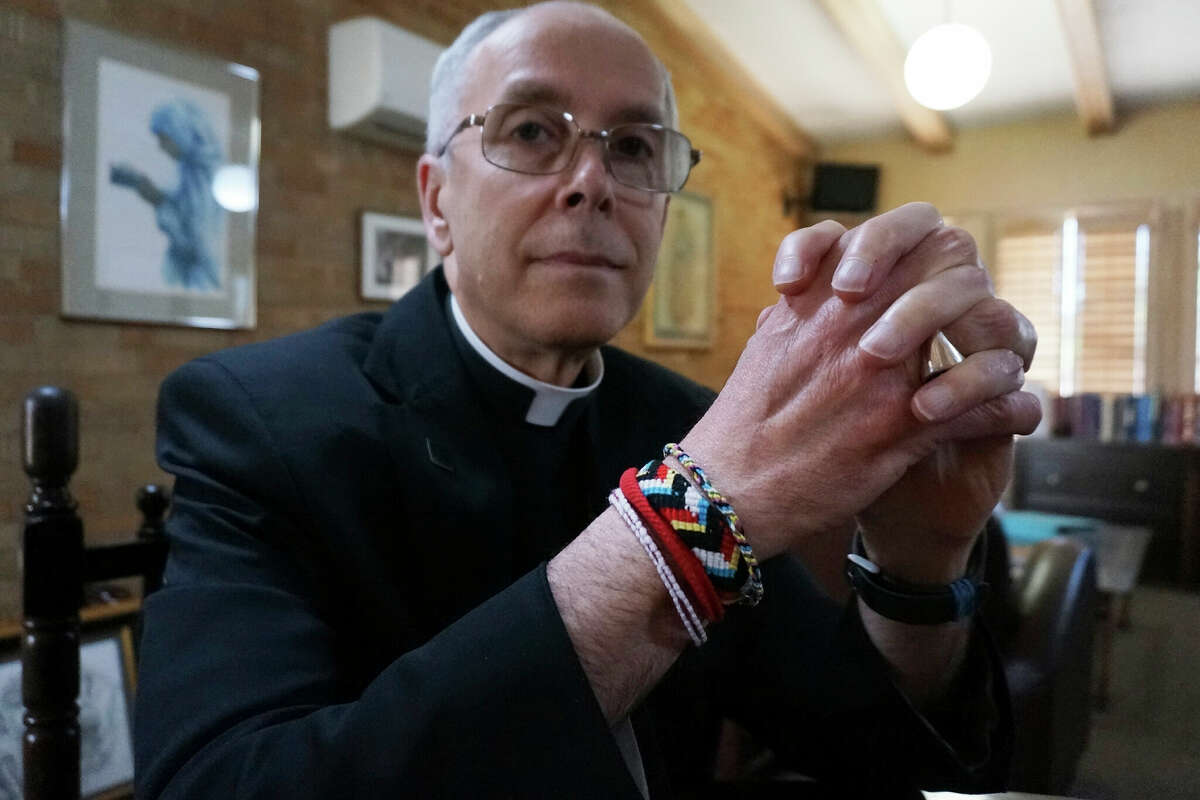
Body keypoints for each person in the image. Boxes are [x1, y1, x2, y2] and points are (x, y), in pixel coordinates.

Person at [133, 3, 1040, 798]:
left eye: (635, 148)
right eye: (531, 131)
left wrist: (919, 566)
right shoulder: (258, 420)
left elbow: (884, 758)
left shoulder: (686, 422)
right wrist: (683, 520)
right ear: (437, 201)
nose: (593, 181)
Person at [110, 98, 223, 290]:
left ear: (180, 133)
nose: (161, 146)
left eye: (164, 138)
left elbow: (196, 242)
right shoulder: (189, 171)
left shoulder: (204, 173)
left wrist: (159, 201)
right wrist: (152, 193)